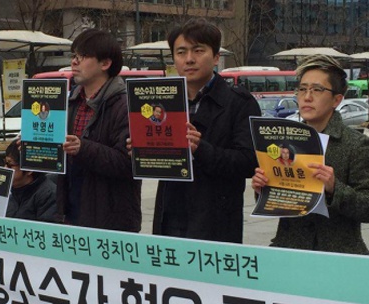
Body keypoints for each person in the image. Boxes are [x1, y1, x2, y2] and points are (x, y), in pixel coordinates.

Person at [152, 18, 260, 243]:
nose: (189, 59)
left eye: (198, 50)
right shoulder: (163, 102)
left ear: (216, 57)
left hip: (216, 223)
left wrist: (201, 149)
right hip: (169, 217)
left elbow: (249, 161)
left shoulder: (239, 103)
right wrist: (141, 150)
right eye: (181, 52)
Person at [252, 54, 369, 254]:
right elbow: (279, 201)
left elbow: (366, 208)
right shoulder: (282, 140)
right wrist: (262, 188)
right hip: (290, 250)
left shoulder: (356, 144)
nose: (307, 97)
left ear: (336, 99)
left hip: (339, 255)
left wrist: (334, 188)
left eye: (317, 90)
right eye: (302, 89)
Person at [58, 28, 141, 232]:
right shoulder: (70, 102)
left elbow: (128, 164)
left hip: (110, 221)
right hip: (71, 214)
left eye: (83, 56)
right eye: (74, 55)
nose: (74, 62)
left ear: (105, 64)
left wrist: (83, 148)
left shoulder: (126, 106)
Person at [4, 139, 57, 222]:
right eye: (5, 163)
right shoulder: (8, 190)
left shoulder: (48, 195)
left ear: (29, 170)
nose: (5, 168)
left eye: (10, 165)